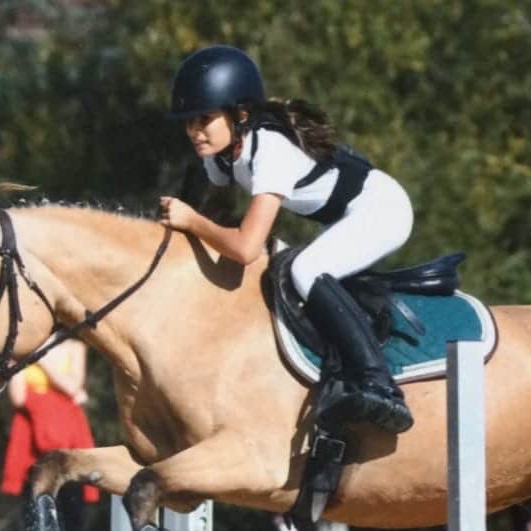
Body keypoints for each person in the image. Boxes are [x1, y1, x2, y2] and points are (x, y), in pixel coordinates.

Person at [156, 44, 414, 437]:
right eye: (189, 122)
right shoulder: (220, 151)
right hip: (345, 215)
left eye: (203, 119)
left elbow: (244, 247)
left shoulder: (270, 150)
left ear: (239, 114)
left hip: (383, 211)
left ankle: (379, 385)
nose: (194, 132)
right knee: (287, 269)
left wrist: (191, 221)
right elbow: (209, 210)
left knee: (305, 270)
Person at [0, 338, 100, 531]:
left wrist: (42, 360)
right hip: (32, 444)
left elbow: (74, 386)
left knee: (74, 515)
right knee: (39, 517)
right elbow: (18, 397)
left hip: (68, 441)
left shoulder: (75, 347)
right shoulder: (20, 350)